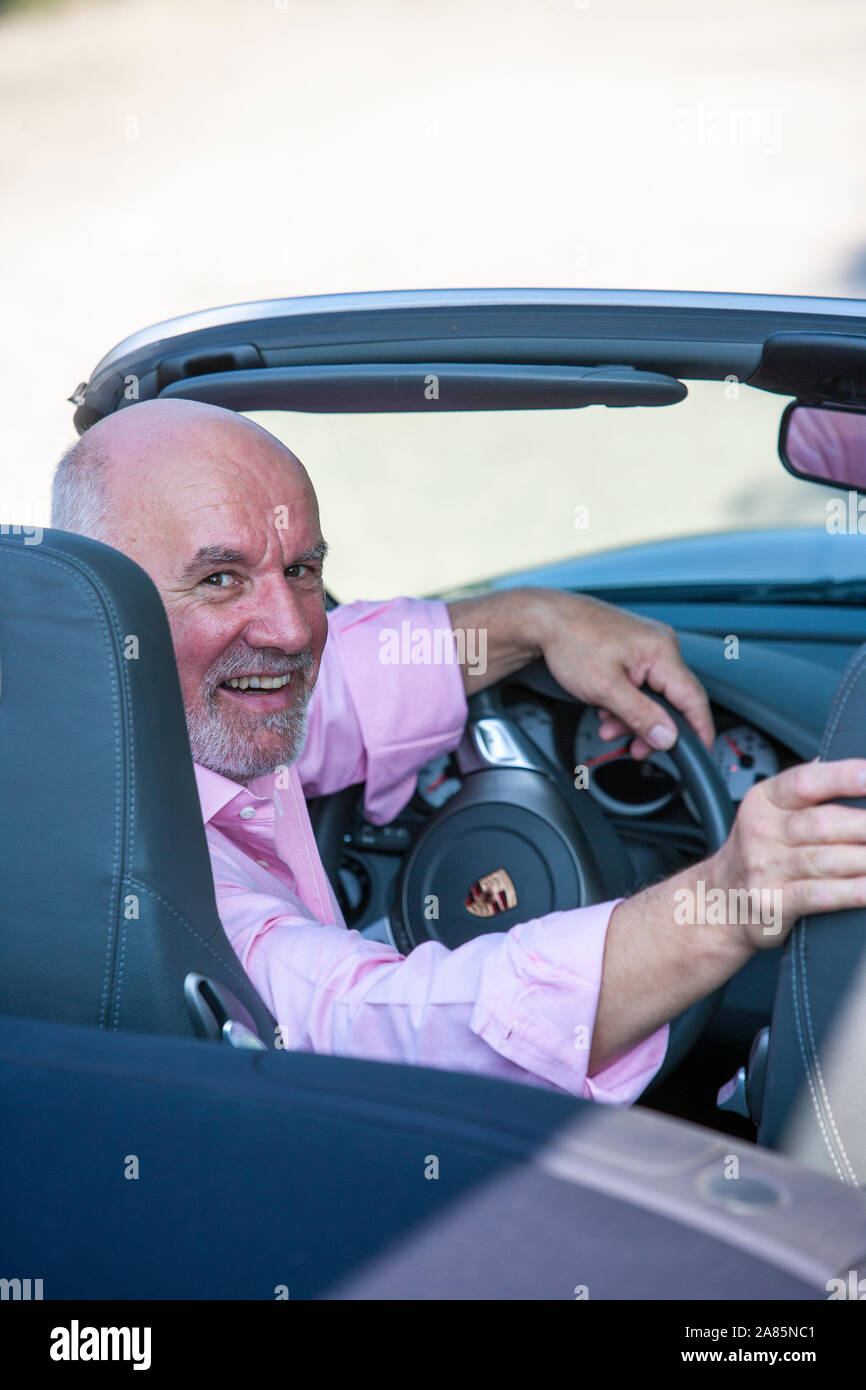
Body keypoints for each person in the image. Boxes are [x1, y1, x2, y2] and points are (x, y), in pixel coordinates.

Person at [50, 399, 866, 1101]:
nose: (294, 628)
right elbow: (384, 1029)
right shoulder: (125, 869)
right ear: (94, 598)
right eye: (221, 578)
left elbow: (352, 683)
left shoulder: (143, 699)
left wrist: (539, 620)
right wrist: (721, 901)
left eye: (302, 569)